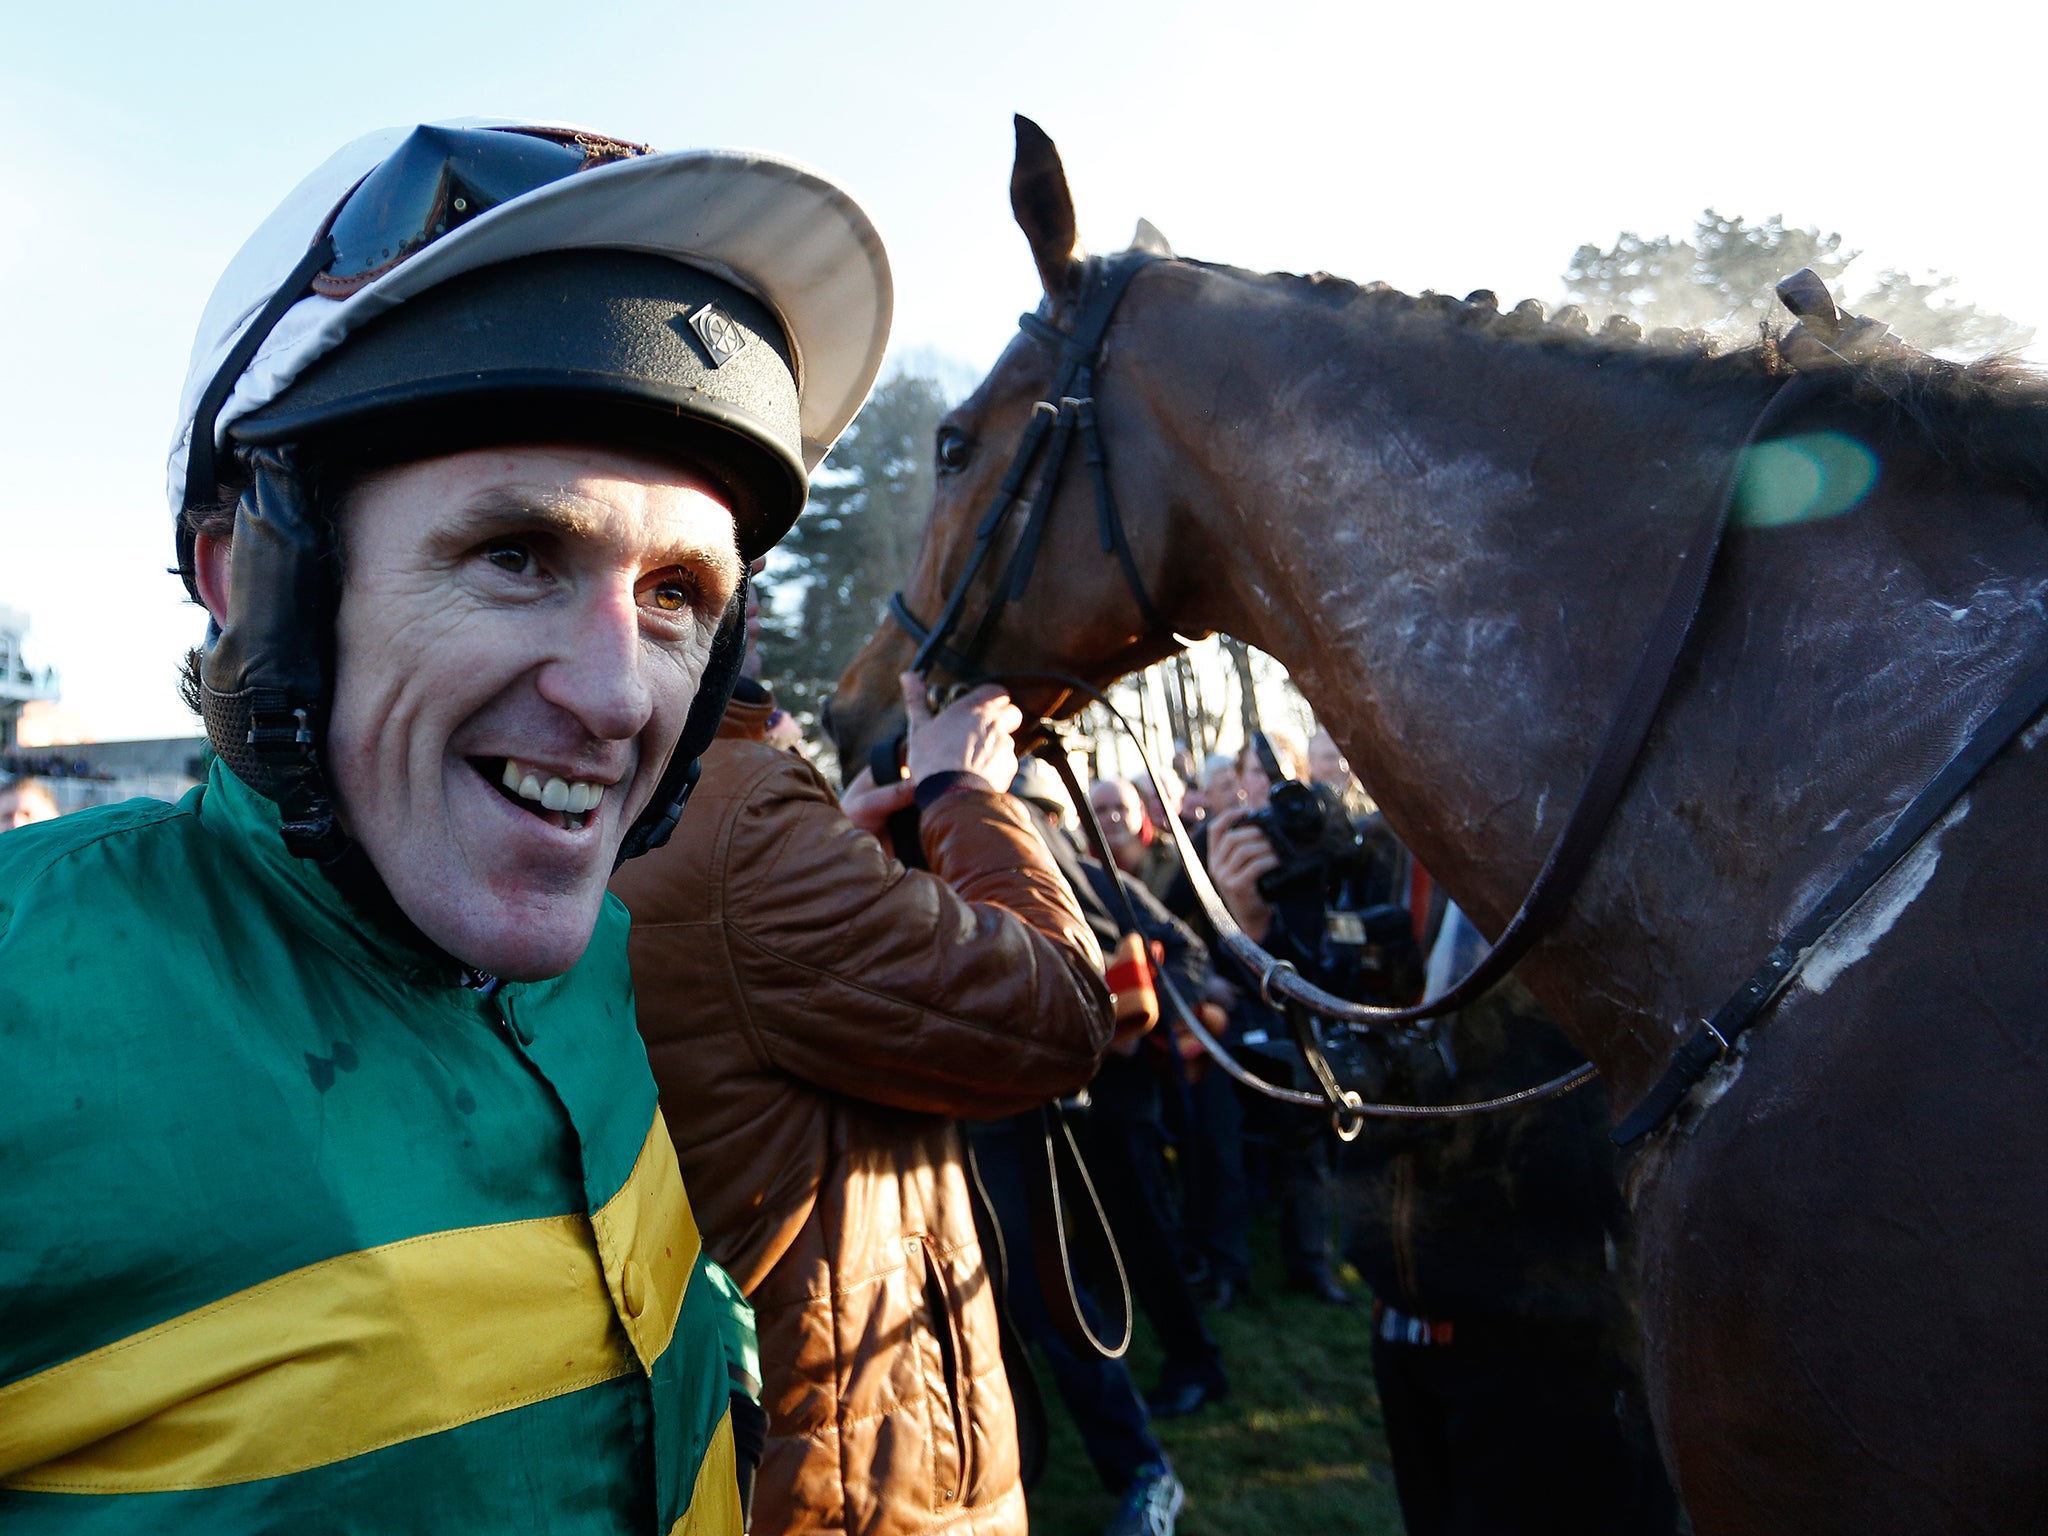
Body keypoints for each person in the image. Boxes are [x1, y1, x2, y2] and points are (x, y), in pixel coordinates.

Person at [0, 118, 890, 1532]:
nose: (616, 697)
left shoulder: (599, 959)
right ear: (252, 583)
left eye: (677, 597)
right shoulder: (22, 991)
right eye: (517, 553)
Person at [608, 671, 1116, 1536]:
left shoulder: (664, 793)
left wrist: (834, 842)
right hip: (861, 1478)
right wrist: (967, 792)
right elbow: (1062, 1010)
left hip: (751, 1450)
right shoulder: (740, 806)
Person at [1089, 776, 1180, 898]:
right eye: (1101, 810)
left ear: (1141, 809)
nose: (1112, 817)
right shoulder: (1080, 864)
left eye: (1121, 807)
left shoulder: (1177, 858)